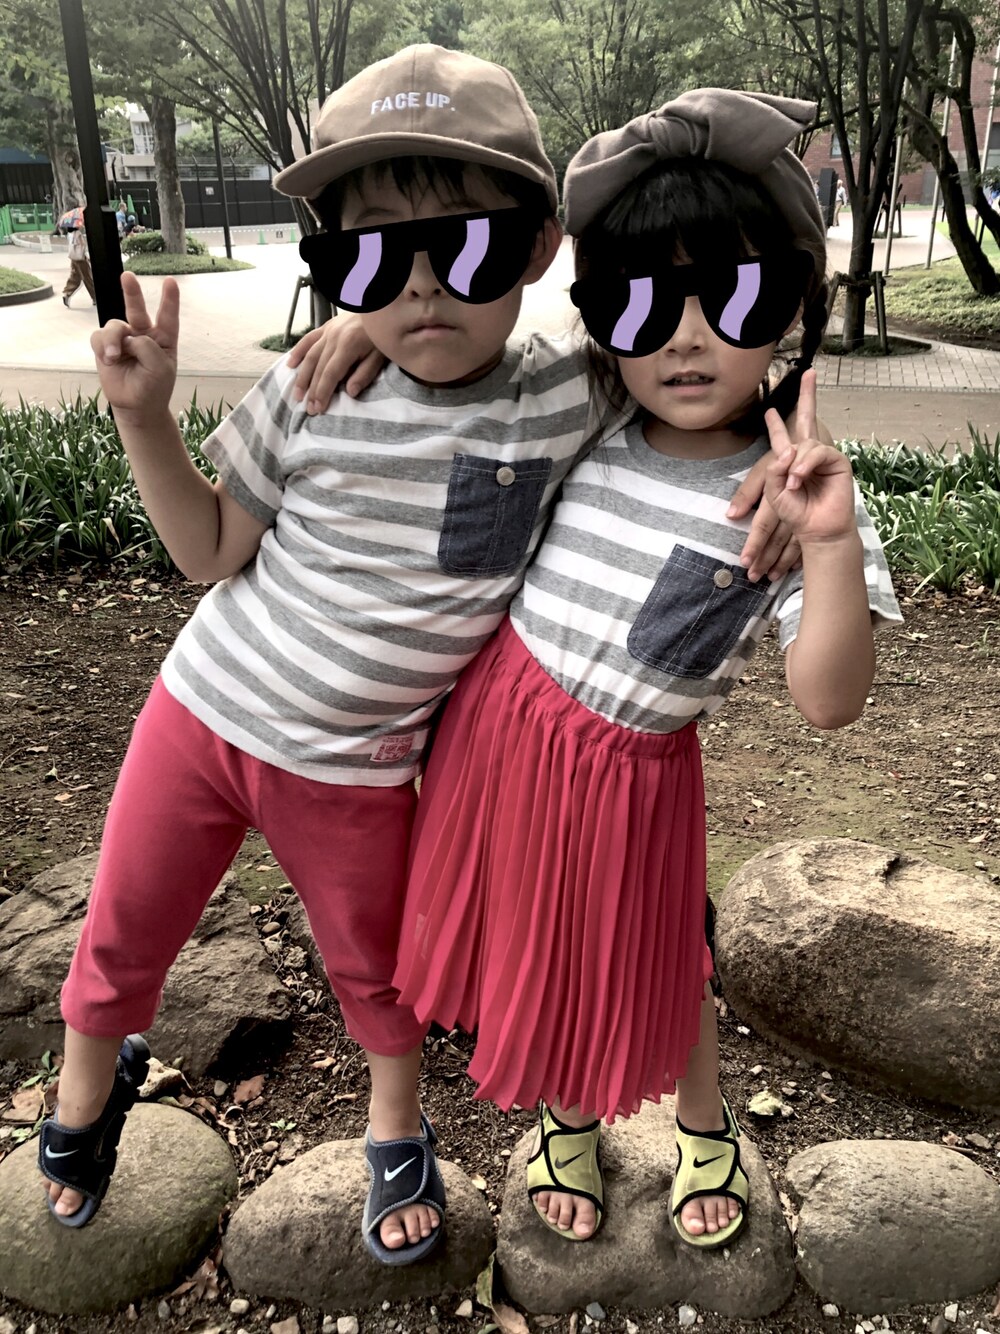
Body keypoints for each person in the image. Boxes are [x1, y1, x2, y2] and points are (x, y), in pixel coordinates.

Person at [38, 43, 595, 1264]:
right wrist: (142, 416)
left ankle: (394, 1125)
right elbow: (208, 549)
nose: (421, 287)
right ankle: (87, 1080)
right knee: (125, 920)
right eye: (371, 257)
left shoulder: (568, 397)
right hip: (202, 713)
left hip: (357, 766)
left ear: (540, 247)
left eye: (467, 246)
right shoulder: (310, 390)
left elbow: (672, 321)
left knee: (376, 966)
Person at [385, 89, 904, 1247]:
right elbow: (445, 356)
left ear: (790, 305)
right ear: (600, 318)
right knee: (544, 945)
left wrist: (826, 540)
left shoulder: (795, 493)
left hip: (629, 775)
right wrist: (346, 330)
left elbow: (827, 699)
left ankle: (702, 1123)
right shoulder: (587, 414)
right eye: (639, 299)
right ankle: (565, 1114)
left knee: (663, 959)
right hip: (498, 734)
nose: (685, 335)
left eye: (732, 294)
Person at [62, 210, 96, 308]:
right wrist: (86, 257)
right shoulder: (78, 234)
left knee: (74, 278)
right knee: (88, 278)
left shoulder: (70, 234)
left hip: (73, 258)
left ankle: (67, 294)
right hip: (81, 259)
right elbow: (82, 247)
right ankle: (95, 297)